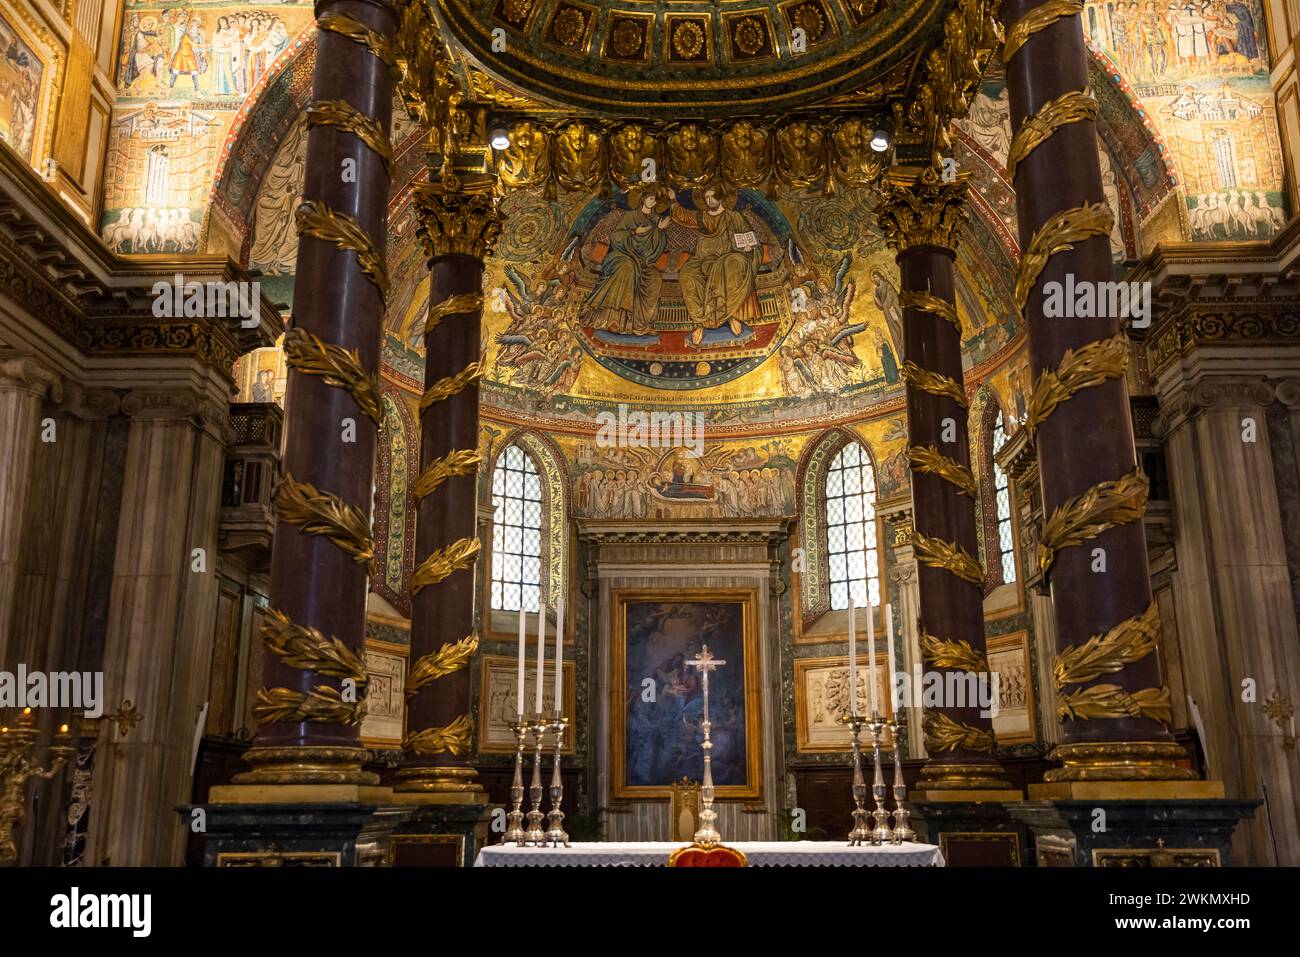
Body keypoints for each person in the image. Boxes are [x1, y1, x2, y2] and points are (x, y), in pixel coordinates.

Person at [671, 187, 762, 346]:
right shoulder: (702, 217)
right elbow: (683, 216)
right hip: (702, 259)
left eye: (713, 196)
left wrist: (750, 247)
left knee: (735, 262)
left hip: (727, 257)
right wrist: (673, 200)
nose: (710, 200)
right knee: (686, 274)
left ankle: (728, 315)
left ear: (721, 198)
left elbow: (750, 237)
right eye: (707, 197)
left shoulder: (734, 217)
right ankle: (700, 322)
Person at [584, 187, 669, 334]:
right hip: (621, 255)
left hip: (643, 262)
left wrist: (659, 230)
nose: (652, 201)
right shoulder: (630, 216)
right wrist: (634, 232)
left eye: (655, 199)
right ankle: (613, 320)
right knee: (626, 268)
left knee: (655, 278)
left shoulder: (656, 221)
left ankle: (640, 324)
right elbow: (616, 237)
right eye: (650, 197)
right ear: (643, 198)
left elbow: (655, 250)